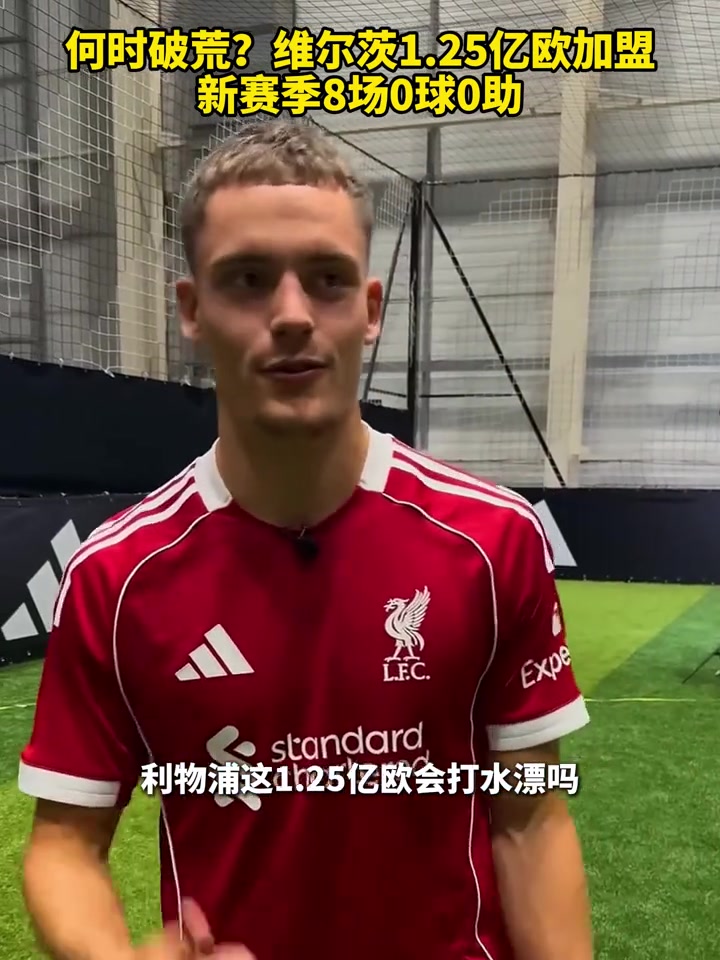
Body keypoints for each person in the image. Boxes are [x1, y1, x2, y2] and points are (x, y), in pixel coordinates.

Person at [18, 118, 593, 960]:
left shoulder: (491, 540)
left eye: (326, 279)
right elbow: (65, 845)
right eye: (248, 280)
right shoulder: (117, 576)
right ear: (192, 310)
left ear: (369, 310)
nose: (291, 316)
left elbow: (530, 818)